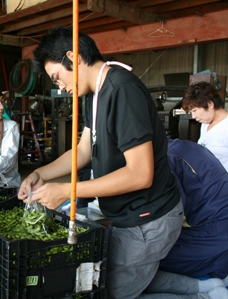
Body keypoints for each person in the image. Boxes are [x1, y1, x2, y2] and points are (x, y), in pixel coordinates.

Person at [19, 26, 228, 299]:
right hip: (127, 214)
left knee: (112, 290)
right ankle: (204, 288)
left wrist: (67, 191)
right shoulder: (93, 95)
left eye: (58, 77)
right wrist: (40, 174)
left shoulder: (122, 90)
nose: (61, 86)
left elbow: (140, 174)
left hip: (149, 218)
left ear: (74, 57)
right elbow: (82, 151)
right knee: (116, 276)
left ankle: (202, 291)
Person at [159, 139, 228, 280]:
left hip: (214, 229)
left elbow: (170, 215)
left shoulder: (165, 160)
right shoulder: (182, 145)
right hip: (218, 217)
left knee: (150, 258)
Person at [181, 81, 228, 172]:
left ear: (210, 104)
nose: (193, 116)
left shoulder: (226, 128)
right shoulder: (205, 123)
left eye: (194, 110)